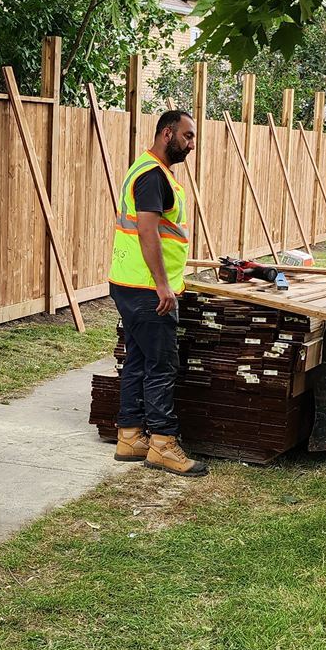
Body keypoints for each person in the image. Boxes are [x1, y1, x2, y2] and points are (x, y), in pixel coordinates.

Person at [108, 109, 207, 477]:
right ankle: (163, 444)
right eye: (188, 136)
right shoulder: (152, 176)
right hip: (148, 289)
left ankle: (131, 435)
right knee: (162, 365)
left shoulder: (147, 169)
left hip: (128, 282)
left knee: (137, 359)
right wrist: (163, 285)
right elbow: (148, 232)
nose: (192, 144)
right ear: (167, 134)